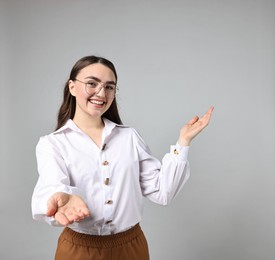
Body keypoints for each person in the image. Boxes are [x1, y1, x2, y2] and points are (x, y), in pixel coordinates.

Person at [31, 55, 214, 260]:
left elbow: (163, 192)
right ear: (72, 87)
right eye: (92, 83)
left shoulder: (129, 137)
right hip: (78, 251)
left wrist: (183, 142)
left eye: (110, 87)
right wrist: (60, 198)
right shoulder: (52, 143)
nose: (102, 93)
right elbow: (50, 186)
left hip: (131, 248)